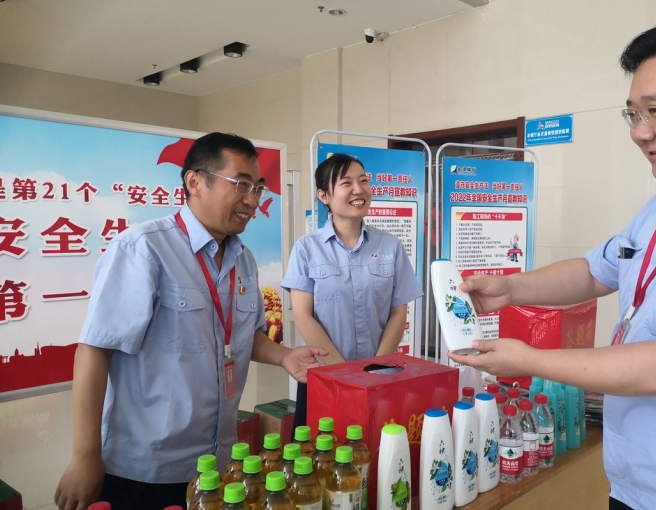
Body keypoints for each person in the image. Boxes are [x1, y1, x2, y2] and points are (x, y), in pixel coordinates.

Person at [450, 13, 656, 510]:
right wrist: (512, 288)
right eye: (633, 114)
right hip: (632, 484)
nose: (639, 132)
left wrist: (528, 361)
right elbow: (597, 270)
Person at [54, 133, 328, 510]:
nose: (252, 200)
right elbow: (95, 350)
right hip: (145, 469)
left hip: (218, 462)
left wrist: (284, 356)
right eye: (241, 184)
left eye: (258, 188)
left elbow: (245, 335)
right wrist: (85, 456)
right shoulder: (143, 249)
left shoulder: (244, 260)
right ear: (195, 182)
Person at [281, 154, 423, 431]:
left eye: (363, 181)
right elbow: (303, 316)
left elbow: (398, 311)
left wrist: (376, 368)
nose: (358, 190)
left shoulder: (390, 246)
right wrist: (344, 373)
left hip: (380, 376)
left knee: (379, 447)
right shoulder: (306, 248)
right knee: (321, 450)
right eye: (346, 183)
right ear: (324, 196)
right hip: (323, 376)